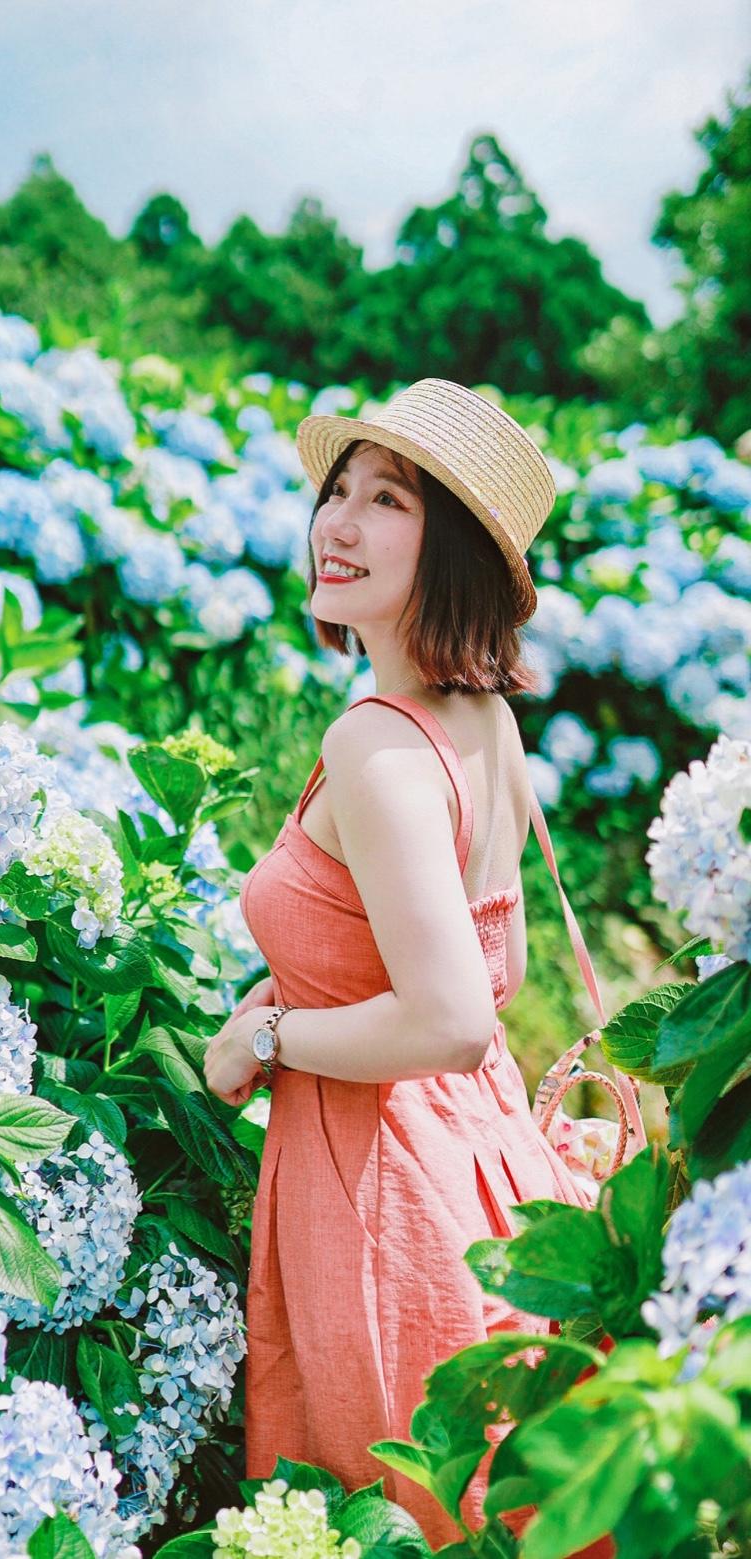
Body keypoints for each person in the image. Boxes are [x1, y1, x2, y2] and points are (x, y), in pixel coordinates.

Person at [202, 379, 616, 1551]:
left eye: (388, 500)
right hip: (490, 1166)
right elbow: (499, 963)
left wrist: (265, 1035)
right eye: (337, 490)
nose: (337, 523)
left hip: (381, 1188)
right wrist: (310, 982)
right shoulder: (484, 722)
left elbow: (449, 1018)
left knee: (396, 1505)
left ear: (456, 551)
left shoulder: (377, 743)